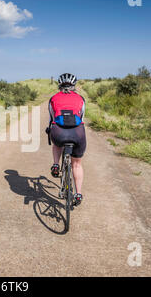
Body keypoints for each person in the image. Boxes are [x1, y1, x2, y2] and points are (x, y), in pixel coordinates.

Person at [47, 73, 86, 206]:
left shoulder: (53, 98)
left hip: (59, 132)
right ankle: (78, 194)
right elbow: (82, 117)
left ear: (59, 85)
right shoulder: (80, 99)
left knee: (57, 143)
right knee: (77, 164)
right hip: (77, 133)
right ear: (74, 86)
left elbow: (52, 118)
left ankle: (56, 164)